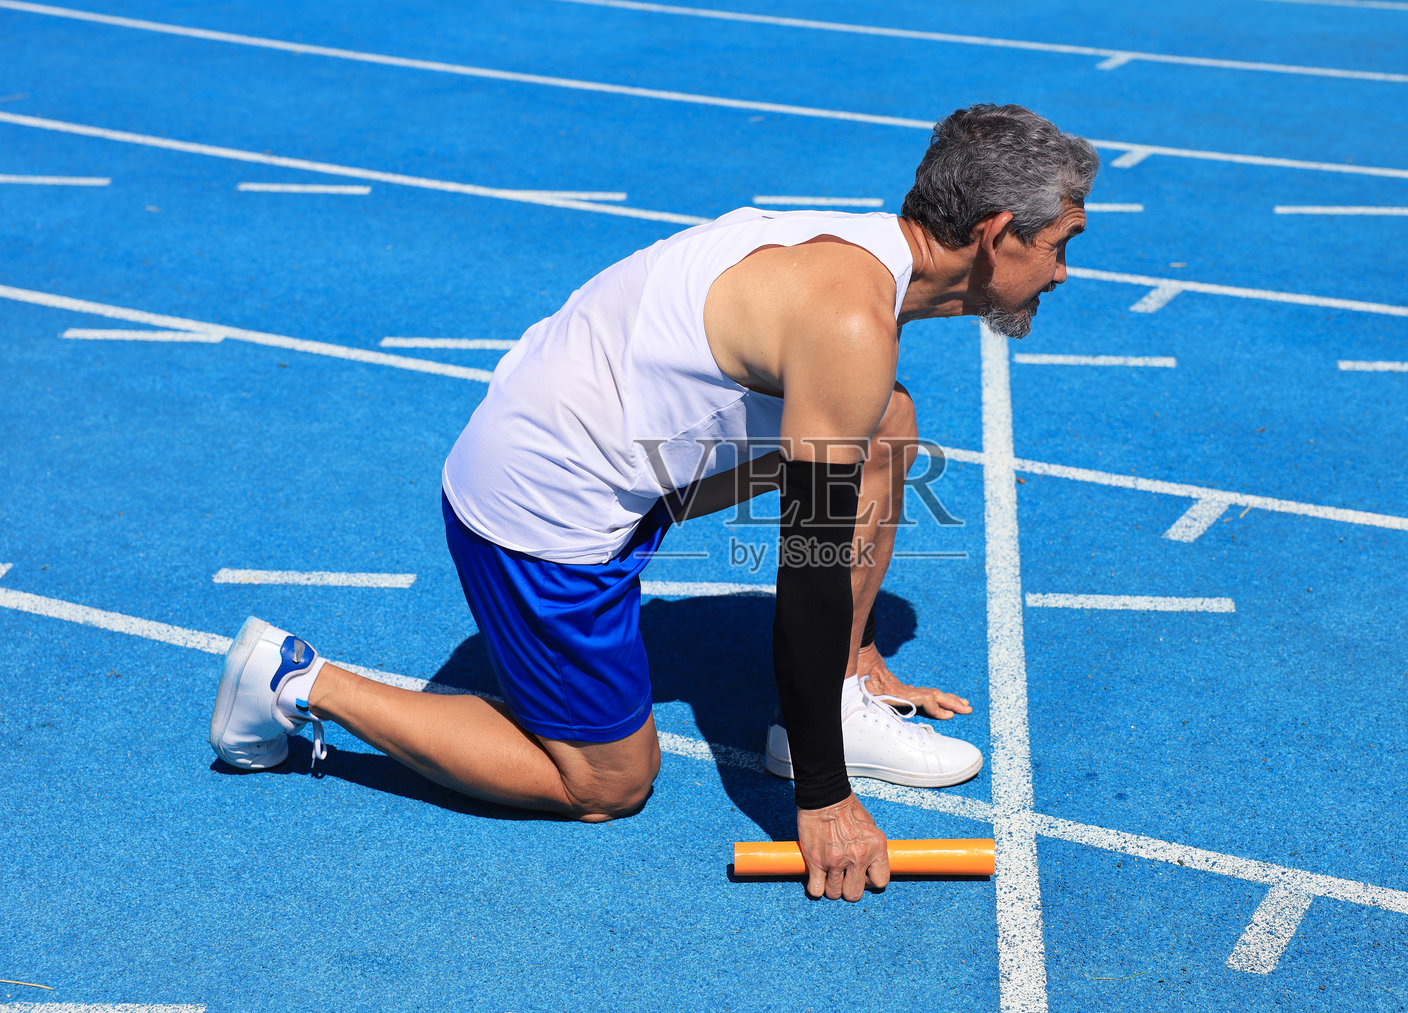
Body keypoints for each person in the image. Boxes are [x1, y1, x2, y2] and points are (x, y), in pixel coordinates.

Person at [209, 103, 1098, 902]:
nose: (1063, 273)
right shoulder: (849, 319)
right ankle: (293, 678)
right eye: (1060, 244)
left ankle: (838, 690)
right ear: (993, 235)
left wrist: (857, 656)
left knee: (885, 422)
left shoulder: (866, 248)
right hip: (539, 510)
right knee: (606, 785)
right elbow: (811, 566)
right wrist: (823, 798)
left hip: (598, 438)